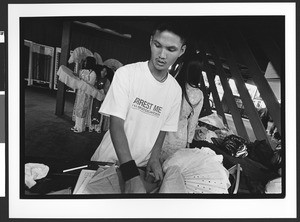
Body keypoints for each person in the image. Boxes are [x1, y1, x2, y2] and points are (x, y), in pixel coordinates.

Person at [90, 21, 187, 193]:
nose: (162, 55)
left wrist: (154, 158)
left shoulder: (175, 90)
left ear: (182, 51)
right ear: (151, 41)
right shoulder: (126, 75)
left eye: (171, 49)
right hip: (109, 162)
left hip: (141, 166)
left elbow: (162, 128)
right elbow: (116, 124)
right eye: (158, 45)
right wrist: (130, 174)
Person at [160, 53, 204, 162]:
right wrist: (189, 141)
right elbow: (193, 121)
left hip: (162, 133)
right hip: (180, 137)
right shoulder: (198, 94)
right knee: (170, 170)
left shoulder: (172, 84)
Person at [71, 56, 97, 133]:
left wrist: (81, 80)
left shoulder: (93, 73)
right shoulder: (81, 71)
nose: (85, 63)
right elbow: (78, 80)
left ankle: (80, 128)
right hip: (80, 93)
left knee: (83, 110)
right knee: (77, 109)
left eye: (86, 61)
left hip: (86, 94)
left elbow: (90, 84)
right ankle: (76, 125)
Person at [90, 65, 111, 133]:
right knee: (92, 111)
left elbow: (108, 90)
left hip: (101, 99)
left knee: (99, 112)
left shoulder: (107, 81)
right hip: (94, 98)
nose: (103, 72)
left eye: (105, 71)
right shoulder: (96, 77)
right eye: (102, 70)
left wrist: (103, 91)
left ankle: (98, 127)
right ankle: (91, 125)